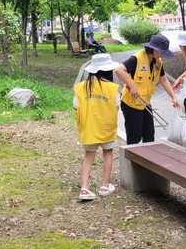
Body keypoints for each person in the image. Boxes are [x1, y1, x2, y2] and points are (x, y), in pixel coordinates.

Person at [114, 34, 179, 144]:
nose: (162, 55)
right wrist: (132, 86)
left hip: (145, 102)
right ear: (153, 49)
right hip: (131, 103)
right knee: (135, 137)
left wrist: (173, 97)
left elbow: (164, 80)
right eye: (161, 52)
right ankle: (131, 155)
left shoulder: (158, 61)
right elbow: (119, 70)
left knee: (149, 136)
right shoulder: (137, 58)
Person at [73, 53, 121, 201]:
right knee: (108, 153)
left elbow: (76, 106)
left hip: (88, 128)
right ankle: (105, 186)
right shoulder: (112, 88)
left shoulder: (81, 87)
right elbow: (117, 107)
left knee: (88, 156)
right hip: (106, 127)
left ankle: (84, 188)